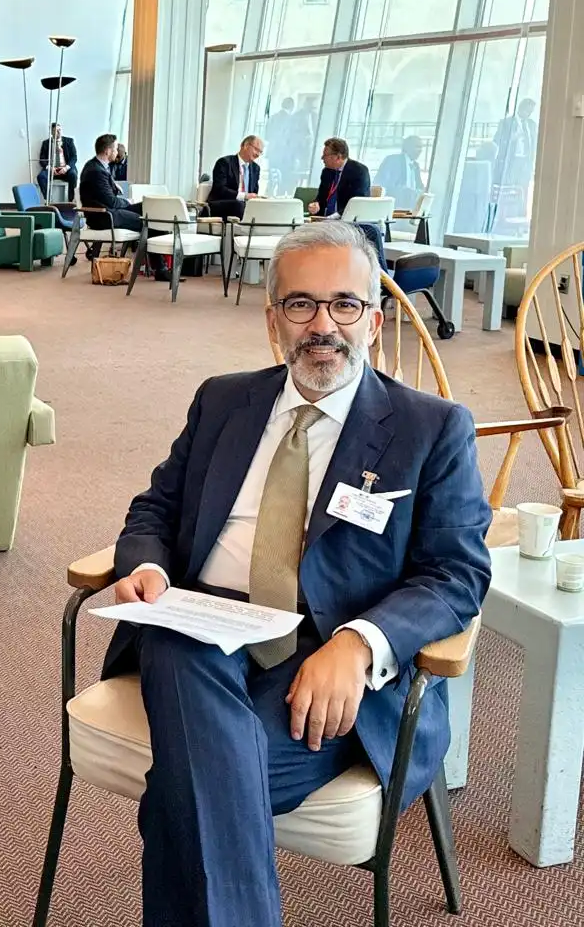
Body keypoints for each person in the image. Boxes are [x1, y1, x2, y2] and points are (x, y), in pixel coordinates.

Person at [103, 220, 490, 927]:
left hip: (324, 655)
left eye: (344, 304)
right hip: (201, 622)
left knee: (182, 794)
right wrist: (149, 567)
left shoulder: (430, 428)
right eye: (301, 304)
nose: (323, 325)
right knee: (180, 649)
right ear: (272, 319)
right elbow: (155, 508)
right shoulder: (222, 400)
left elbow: (456, 573)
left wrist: (359, 645)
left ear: (373, 320)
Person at [79, 133, 165, 277]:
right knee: (149, 221)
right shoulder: (96, 171)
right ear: (107, 151)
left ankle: (157, 265)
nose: (117, 152)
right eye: (114, 149)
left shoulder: (97, 166)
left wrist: (114, 186)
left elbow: (106, 194)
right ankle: (160, 268)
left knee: (148, 207)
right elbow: (112, 201)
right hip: (104, 216)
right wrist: (128, 202)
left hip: (108, 210)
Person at [493, 98, 538, 213]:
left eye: (531, 112)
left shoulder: (532, 125)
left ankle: (520, 213)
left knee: (523, 188)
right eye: (528, 111)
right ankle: (508, 213)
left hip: (526, 162)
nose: (529, 114)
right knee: (509, 188)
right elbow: (497, 140)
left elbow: (534, 144)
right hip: (511, 161)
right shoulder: (506, 123)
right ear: (521, 109)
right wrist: (513, 137)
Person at [309, 137, 370, 217]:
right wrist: (315, 204)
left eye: (325, 155)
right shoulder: (327, 171)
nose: (322, 158)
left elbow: (357, 203)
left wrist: (333, 217)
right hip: (324, 219)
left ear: (338, 157)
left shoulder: (359, 171)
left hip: (345, 219)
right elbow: (321, 197)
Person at [208, 135, 264, 219]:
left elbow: (254, 191)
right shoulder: (224, 163)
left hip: (244, 206)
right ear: (245, 145)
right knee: (239, 205)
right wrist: (244, 196)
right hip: (222, 204)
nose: (258, 154)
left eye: (260, 152)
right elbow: (220, 189)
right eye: (256, 149)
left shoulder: (256, 168)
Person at [374, 136, 425, 212]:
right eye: (417, 147)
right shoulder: (392, 160)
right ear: (408, 147)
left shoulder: (416, 166)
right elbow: (381, 184)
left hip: (410, 208)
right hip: (394, 207)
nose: (420, 150)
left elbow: (420, 187)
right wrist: (404, 191)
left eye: (421, 147)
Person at [37, 123, 79, 202]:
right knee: (41, 176)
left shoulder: (69, 141)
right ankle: (48, 199)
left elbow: (74, 157)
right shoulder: (46, 143)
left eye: (60, 130)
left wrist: (66, 168)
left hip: (66, 169)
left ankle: (71, 200)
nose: (59, 132)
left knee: (73, 175)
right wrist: (50, 168)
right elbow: (42, 159)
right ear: (51, 132)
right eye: (56, 131)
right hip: (52, 170)